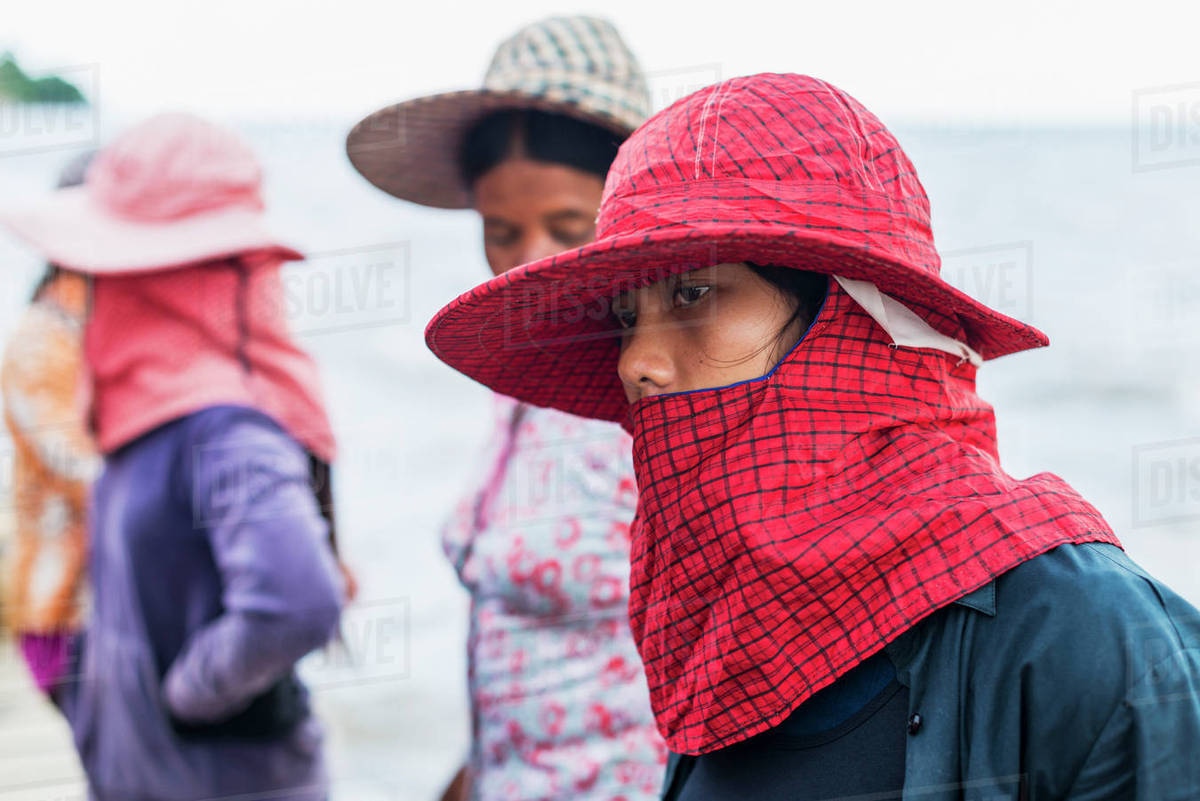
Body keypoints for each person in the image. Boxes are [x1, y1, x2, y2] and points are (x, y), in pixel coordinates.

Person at [424, 74, 1200, 799]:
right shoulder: (715, 628)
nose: (636, 359)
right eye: (628, 315)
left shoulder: (1082, 633)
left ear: (846, 321)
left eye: (694, 292)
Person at [347, 15, 665, 801]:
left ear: (627, 210)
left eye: (565, 227)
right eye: (500, 231)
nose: (528, 263)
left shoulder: (661, 388)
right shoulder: (517, 383)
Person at [0, 113, 345, 801]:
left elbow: (299, 603)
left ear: (150, 278)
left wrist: (190, 691)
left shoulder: (221, 428)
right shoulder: (146, 410)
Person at [1, 151, 99, 705]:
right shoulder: (43, 340)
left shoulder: (90, 320)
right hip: (63, 610)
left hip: (104, 604)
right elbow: (84, 474)